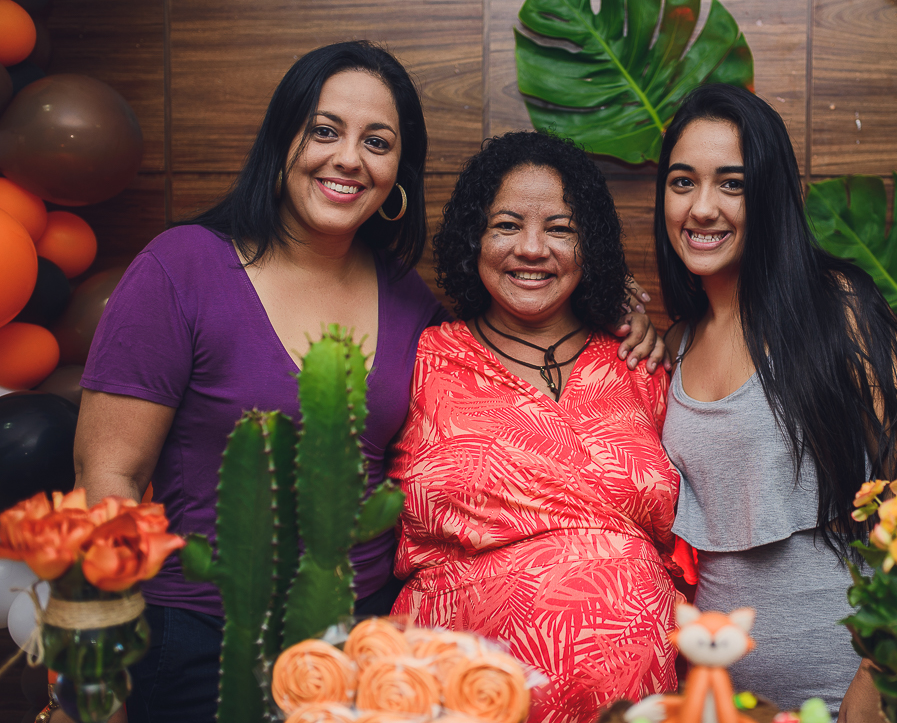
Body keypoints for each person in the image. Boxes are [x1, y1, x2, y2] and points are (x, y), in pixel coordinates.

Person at [72, 41, 663, 723]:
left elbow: (506, 372)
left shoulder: (411, 305)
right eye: (325, 130)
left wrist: (619, 302)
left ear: (397, 174)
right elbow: (107, 473)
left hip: (364, 653)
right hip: (204, 639)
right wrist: (97, 666)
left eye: (376, 141)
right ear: (282, 140)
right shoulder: (182, 267)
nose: (348, 158)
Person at [653, 84, 897, 721]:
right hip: (730, 704)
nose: (702, 208)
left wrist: (871, 690)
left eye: (732, 183)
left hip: (858, 698)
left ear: (772, 194)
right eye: (682, 183)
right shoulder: (673, 345)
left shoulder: (840, 309)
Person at [390, 131, 682, 723]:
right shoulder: (421, 360)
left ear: (589, 243)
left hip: (639, 699)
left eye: (560, 229)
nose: (532, 248)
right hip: (461, 696)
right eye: (506, 225)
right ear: (474, 237)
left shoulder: (639, 363)